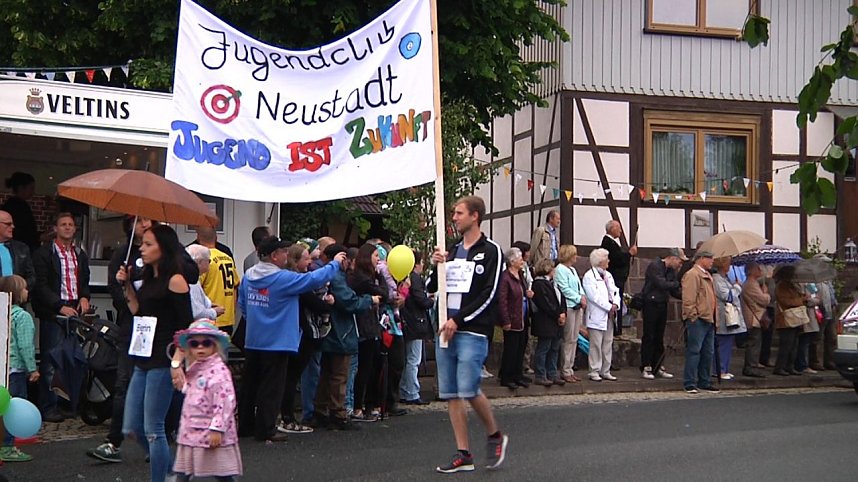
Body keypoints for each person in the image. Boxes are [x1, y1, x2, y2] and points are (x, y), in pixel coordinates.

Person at [237, 236, 346, 442]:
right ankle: (266, 428)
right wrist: (334, 264)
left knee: (250, 384)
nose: (286, 255)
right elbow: (313, 279)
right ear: (274, 256)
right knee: (272, 387)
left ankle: (245, 425)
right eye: (283, 252)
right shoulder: (283, 278)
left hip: (253, 338)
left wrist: (255, 320)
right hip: (277, 340)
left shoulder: (249, 275)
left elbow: (242, 303)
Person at [429, 195, 508, 474]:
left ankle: (494, 435)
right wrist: (436, 265)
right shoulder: (452, 250)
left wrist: (459, 320)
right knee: (451, 392)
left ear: (475, 216)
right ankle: (463, 453)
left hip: (472, 331)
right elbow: (433, 287)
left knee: (468, 388)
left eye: (459, 213)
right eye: (453, 213)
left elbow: (490, 294)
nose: (454, 217)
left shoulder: (492, 251)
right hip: (445, 330)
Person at [116, 224, 193, 482]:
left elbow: (186, 327)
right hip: (143, 355)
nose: (142, 248)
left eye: (149, 244)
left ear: (164, 248)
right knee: (132, 427)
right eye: (142, 243)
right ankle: (175, 470)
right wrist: (126, 285)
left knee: (153, 429)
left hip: (164, 358)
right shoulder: (149, 278)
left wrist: (177, 363)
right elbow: (139, 312)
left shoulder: (176, 280)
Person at [86, 216, 154, 463]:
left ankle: (157, 442)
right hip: (131, 326)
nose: (145, 224)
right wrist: (126, 293)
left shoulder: (164, 253)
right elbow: (114, 289)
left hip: (157, 328)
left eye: (149, 220)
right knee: (124, 382)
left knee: (155, 384)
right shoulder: (123, 254)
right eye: (140, 221)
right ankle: (113, 441)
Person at [31, 212, 91, 423]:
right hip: (54, 312)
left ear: (75, 229)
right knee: (50, 361)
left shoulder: (79, 254)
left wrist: (85, 297)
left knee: (72, 360)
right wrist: (59, 305)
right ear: (55, 228)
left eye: (70, 224)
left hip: (75, 311)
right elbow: (40, 285)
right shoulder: (44, 254)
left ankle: (67, 404)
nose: (67, 227)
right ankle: (48, 406)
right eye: (63, 224)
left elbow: (85, 280)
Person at [315, 243, 379, 431]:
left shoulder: (328, 275)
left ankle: (321, 410)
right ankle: (338, 413)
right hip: (340, 332)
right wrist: (369, 300)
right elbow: (349, 301)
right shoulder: (337, 277)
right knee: (339, 375)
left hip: (330, 330)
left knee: (326, 374)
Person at [172, 320, 242, 481]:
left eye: (206, 343)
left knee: (222, 472)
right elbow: (195, 394)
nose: (200, 347)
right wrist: (183, 386)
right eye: (194, 344)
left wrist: (217, 428)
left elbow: (225, 402)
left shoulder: (219, 372)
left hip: (210, 429)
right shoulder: (196, 368)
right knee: (185, 471)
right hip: (192, 429)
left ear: (215, 346)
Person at [278, 243, 334, 434]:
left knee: (292, 375)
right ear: (295, 261)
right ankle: (287, 417)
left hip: (300, 331)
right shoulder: (297, 282)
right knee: (292, 375)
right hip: (301, 332)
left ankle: (286, 415)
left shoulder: (296, 279)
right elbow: (313, 303)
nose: (310, 261)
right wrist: (328, 304)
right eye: (306, 258)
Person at [0, 275, 39, 462]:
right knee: (13, 409)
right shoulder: (22, 317)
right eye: (24, 288)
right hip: (15, 370)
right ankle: (7, 446)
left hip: (2, 369)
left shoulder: (3, 313)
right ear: (16, 293)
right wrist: (32, 369)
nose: (27, 291)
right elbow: (25, 346)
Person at [349, 244, 389, 422]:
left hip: (372, 324)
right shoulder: (361, 279)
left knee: (372, 366)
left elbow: (384, 295)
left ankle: (369, 404)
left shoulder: (369, 277)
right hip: (364, 326)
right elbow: (383, 293)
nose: (378, 259)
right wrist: (380, 278)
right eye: (375, 255)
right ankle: (358, 405)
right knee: (364, 368)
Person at [301, 236, 338, 425]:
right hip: (311, 327)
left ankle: (313, 409)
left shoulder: (315, 270)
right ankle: (309, 411)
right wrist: (327, 305)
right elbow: (313, 297)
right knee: (311, 370)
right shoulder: (314, 272)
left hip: (317, 326)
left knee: (315, 369)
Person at [639, 248, 684, 380]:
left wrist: (686, 295)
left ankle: (658, 365)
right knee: (649, 335)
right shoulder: (655, 266)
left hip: (662, 303)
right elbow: (661, 284)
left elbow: (673, 290)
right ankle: (646, 366)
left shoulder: (671, 271)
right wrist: (677, 283)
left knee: (659, 336)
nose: (680, 265)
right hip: (651, 304)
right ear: (673, 258)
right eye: (680, 261)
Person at [680, 250, 720, 394]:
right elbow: (689, 298)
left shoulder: (707, 275)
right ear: (701, 258)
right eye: (710, 258)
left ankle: (704, 381)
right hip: (698, 319)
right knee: (694, 351)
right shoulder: (692, 275)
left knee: (708, 352)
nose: (712, 261)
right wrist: (692, 316)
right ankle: (690, 382)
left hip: (709, 318)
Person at [399, 251, 434, 405]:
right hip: (416, 322)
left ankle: (404, 390)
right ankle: (412, 392)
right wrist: (430, 301)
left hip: (407, 321)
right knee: (413, 359)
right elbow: (421, 300)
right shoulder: (415, 279)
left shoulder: (404, 278)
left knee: (407, 358)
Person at [582, 248, 619, 382]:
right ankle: (594, 370)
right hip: (597, 315)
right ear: (600, 261)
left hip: (610, 315)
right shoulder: (589, 276)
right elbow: (594, 297)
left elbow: (615, 291)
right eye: (606, 258)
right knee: (596, 345)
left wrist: (616, 304)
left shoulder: (608, 275)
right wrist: (609, 307)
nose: (608, 261)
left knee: (607, 343)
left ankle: (605, 370)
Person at [497, 247, 530, 390]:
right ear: (512, 261)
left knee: (521, 346)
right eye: (519, 258)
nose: (522, 260)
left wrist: (527, 293)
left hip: (523, 316)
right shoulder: (505, 278)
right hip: (512, 317)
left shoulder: (520, 274)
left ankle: (518, 374)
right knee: (511, 348)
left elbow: (521, 292)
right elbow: (502, 300)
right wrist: (505, 320)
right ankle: (506, 376)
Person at [530, 259, 567, 387]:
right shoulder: (539, 284)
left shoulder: (553, 283)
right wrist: (557, 314)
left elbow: (561, 299)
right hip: (545, 321)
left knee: (554, 348)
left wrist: (563, 312)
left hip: (556, 321)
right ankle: (540, 374)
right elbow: (545, 303)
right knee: (544, 348)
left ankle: (552, 373)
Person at [195, 226, 239, 331]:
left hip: (209, 318)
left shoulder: (203, 260)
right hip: (227, 317)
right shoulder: (228, 258)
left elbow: (196, 288)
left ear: (198, 238)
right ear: (216, 238)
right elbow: (235, 286)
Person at [600, 220, 637, 337]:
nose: (620, 231)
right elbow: (617, 259)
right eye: (618, 228)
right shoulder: (608, 243)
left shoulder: (612, 243)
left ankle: (618, 328)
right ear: (612, 229)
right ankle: (616, 329)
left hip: (618, 279)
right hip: (615, 278)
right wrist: (629, 253)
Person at [554, 244, 586, 383]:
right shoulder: (560, 269)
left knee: (574, 338)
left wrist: (582, 296)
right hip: (568, 306)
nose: (576, 257)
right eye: (574, 254)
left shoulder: (572, 269)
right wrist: (578, 298)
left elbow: (579, 286)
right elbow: (564, 288)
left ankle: (570, 368)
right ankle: (565, 369)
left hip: (577, 306)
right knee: (568, 339)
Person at [713, 257, 746, 380]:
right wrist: (737, 287)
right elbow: (728, 296)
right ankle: (719, 370)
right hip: (724, 316)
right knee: (722, 344)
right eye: (728, 263)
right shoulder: (717, 279)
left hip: (729, 316)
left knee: (727, 343)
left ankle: (725, 368)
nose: (730, 266)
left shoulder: (725, 278)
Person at [772, 265, 807, 376]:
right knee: (786, 344)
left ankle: (789, 366)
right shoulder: (781, 286)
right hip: (786, 319)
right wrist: (801, 300)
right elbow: (787, 302)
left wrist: (801, 296)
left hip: (795, 318)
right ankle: (780, 367)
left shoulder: (792, 286)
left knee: (793, 344)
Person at [741, 262, 770, 378]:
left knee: (756, 343)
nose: (760, 270)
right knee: (754, 343)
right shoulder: (751, 284)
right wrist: (766, 293)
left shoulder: (753, 283)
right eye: (757, 268)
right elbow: (763, 300)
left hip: (755, 317)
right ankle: (750, 367)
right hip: (753, 317)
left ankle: (753, 365)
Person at [185, 245, 225, 320]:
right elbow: (197, 313)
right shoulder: (192, 281)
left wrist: (208, 304)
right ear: (200, 262)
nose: (209, 263)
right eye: (208, 261)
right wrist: (214, 312)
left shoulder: (190, 276)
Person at [2, 172, 39, 252]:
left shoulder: (10, 204)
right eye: (31, 188)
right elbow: (24, 231)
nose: (33, 192)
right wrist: (39, 237)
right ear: (21, 188)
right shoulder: (20, 207)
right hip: (20, 248)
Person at [0, 210, 36, 289]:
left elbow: (31, 276)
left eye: (12, 223)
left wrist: (19, 287)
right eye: (8, 224)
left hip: (17, 294)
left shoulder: (21, 248)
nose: (13, 227)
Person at [794, 283, 821, 374]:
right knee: (803, 342)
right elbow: (803, 300)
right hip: (802, 315)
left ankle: (805, 363)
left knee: (808, 341)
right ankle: (801, 365)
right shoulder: (797, 286)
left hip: (812, 316)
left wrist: (811, 300)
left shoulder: (811, 285)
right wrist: (808, 300)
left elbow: (817, 299)